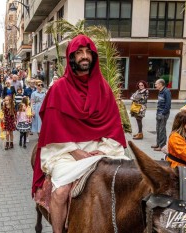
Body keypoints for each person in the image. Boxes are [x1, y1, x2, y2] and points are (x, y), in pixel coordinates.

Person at [32, 35, 127, 233]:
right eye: (79, 53)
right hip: (64, 150)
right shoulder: (58, 89)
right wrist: (75, 151)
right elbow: (52, 128)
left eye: (87, 52)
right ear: (72, 58)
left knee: (125, 180)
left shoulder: (104, 89)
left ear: (93, 56)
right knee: (61, 192)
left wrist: (101, 150)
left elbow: (113, 126)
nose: (84, 57)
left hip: (98, 148)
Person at [152, 78, 171, 151]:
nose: (155, 85)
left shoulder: (166, 91)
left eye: (156, 84)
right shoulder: (160, 91)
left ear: (160, 84)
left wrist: (163, 113)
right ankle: (158, 143)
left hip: (163, 113)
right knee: (158, 129)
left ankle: (162, 146)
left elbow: (168, 104)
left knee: (162, 130)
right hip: (159, 112)